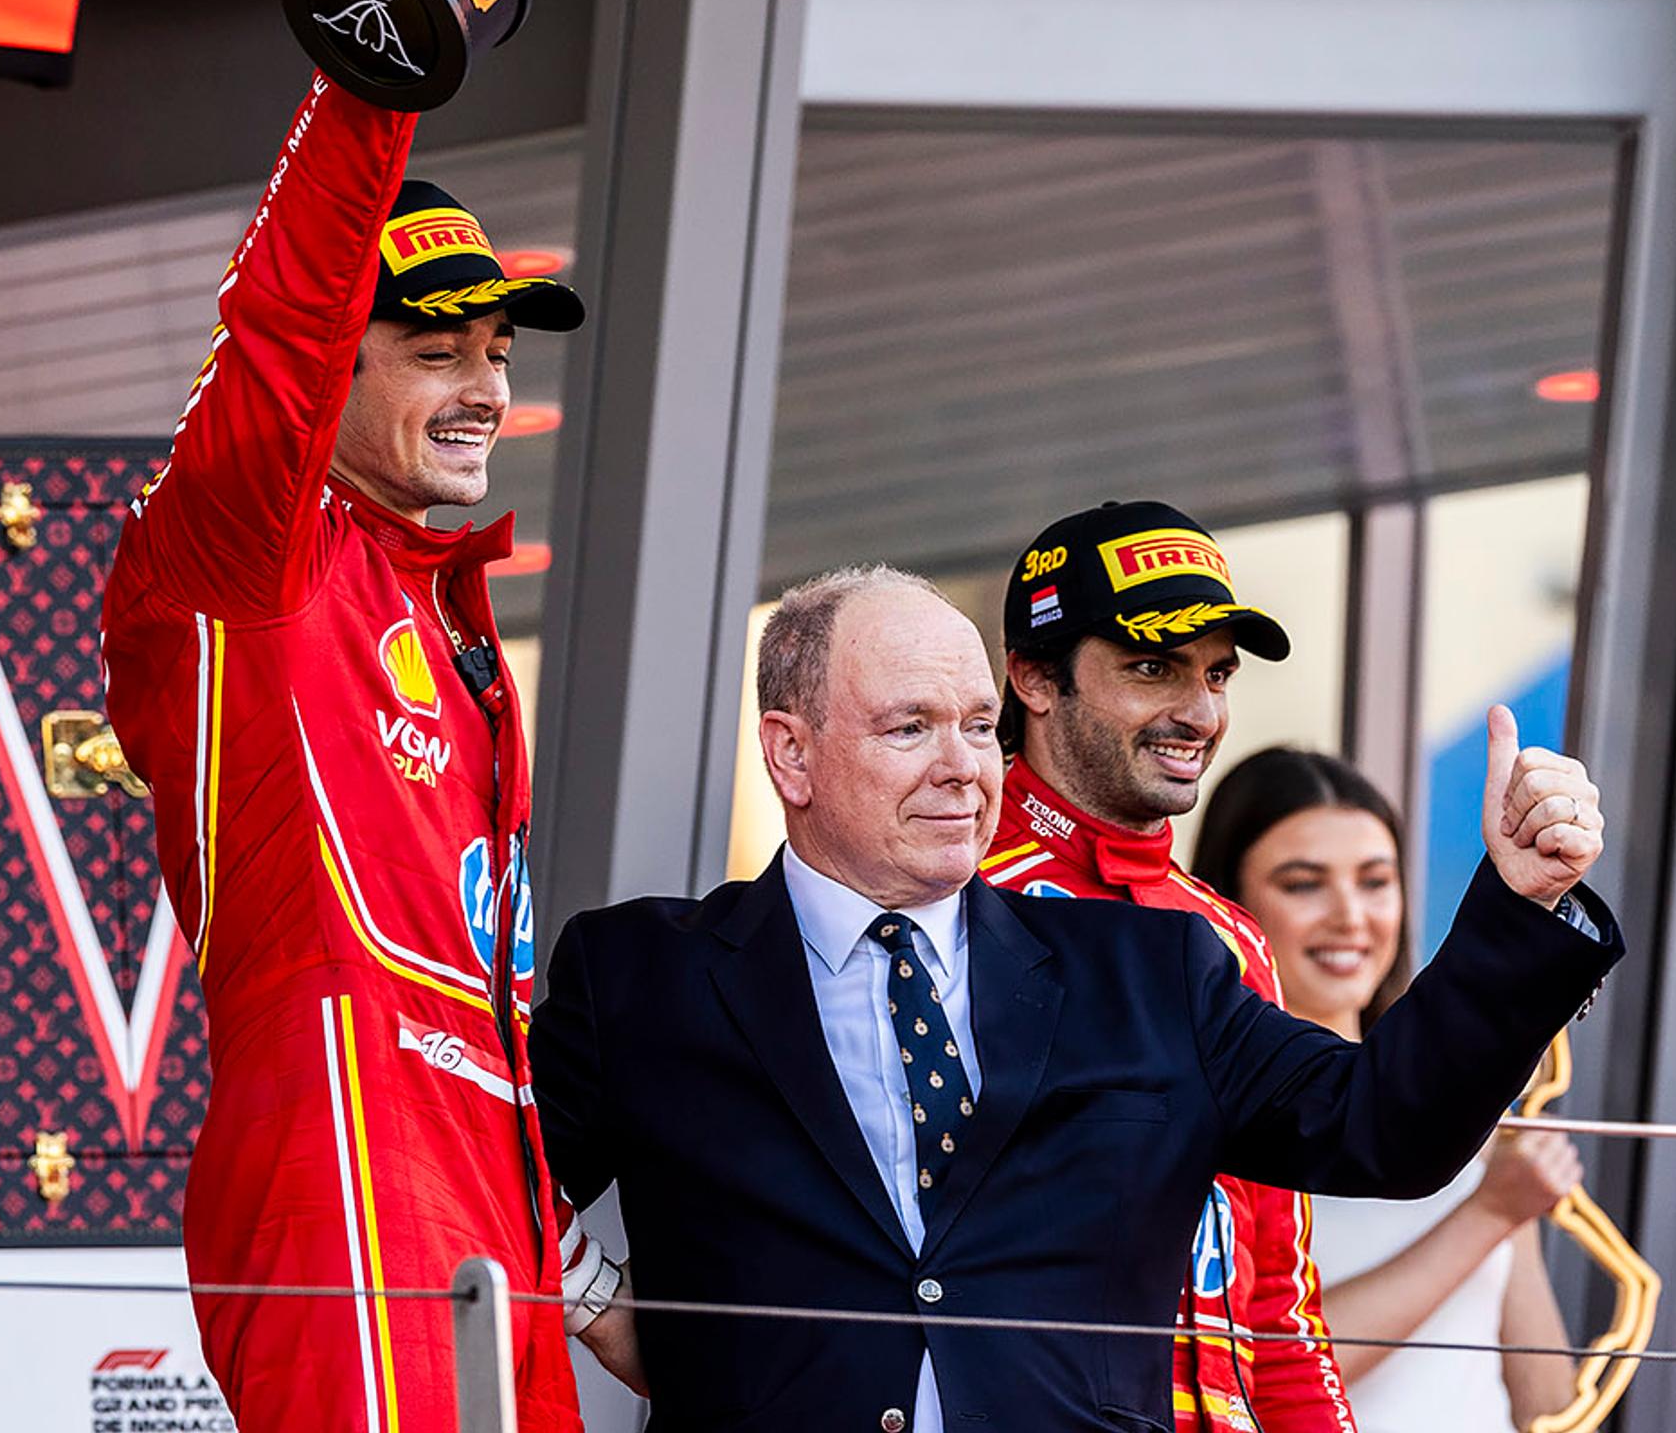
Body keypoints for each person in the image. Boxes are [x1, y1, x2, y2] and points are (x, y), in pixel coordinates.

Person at [529, 565, 1620, 1433]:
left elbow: (1384, 1128)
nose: (964, 767)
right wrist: (598, 1305)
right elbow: (487, 1180)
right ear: (790, 755)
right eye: (909, 727)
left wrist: (1516, 907)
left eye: (973, 724)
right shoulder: (638, 973)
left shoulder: (1153, 970)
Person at [99, 0, 621, 1433]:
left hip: (487, 1186)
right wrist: (390, 11)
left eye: (496, 348)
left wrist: (582, 1285)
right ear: (343, 360)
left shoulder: (444, 612)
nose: (482, 385)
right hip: (336, 1168)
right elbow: (280, 310)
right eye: (433, 345)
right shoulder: (244, 556)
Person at [978, 500, 1351, 1433]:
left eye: (1215, 673)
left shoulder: (1230, 938)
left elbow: (1278, 1308)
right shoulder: (947, 905)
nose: (1198, 712)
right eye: (1152, 668)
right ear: (1031, 676)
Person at [1191, 748, 1585, 1430]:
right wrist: (1486, 1218)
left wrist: (1502, 1210)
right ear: (1226, 902)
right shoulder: (1213, 1115)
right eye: (1302, 883)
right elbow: (1254, 1371)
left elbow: (1546, 1398)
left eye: (1374, 882)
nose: (1349, 916)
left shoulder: (1457, 1108)